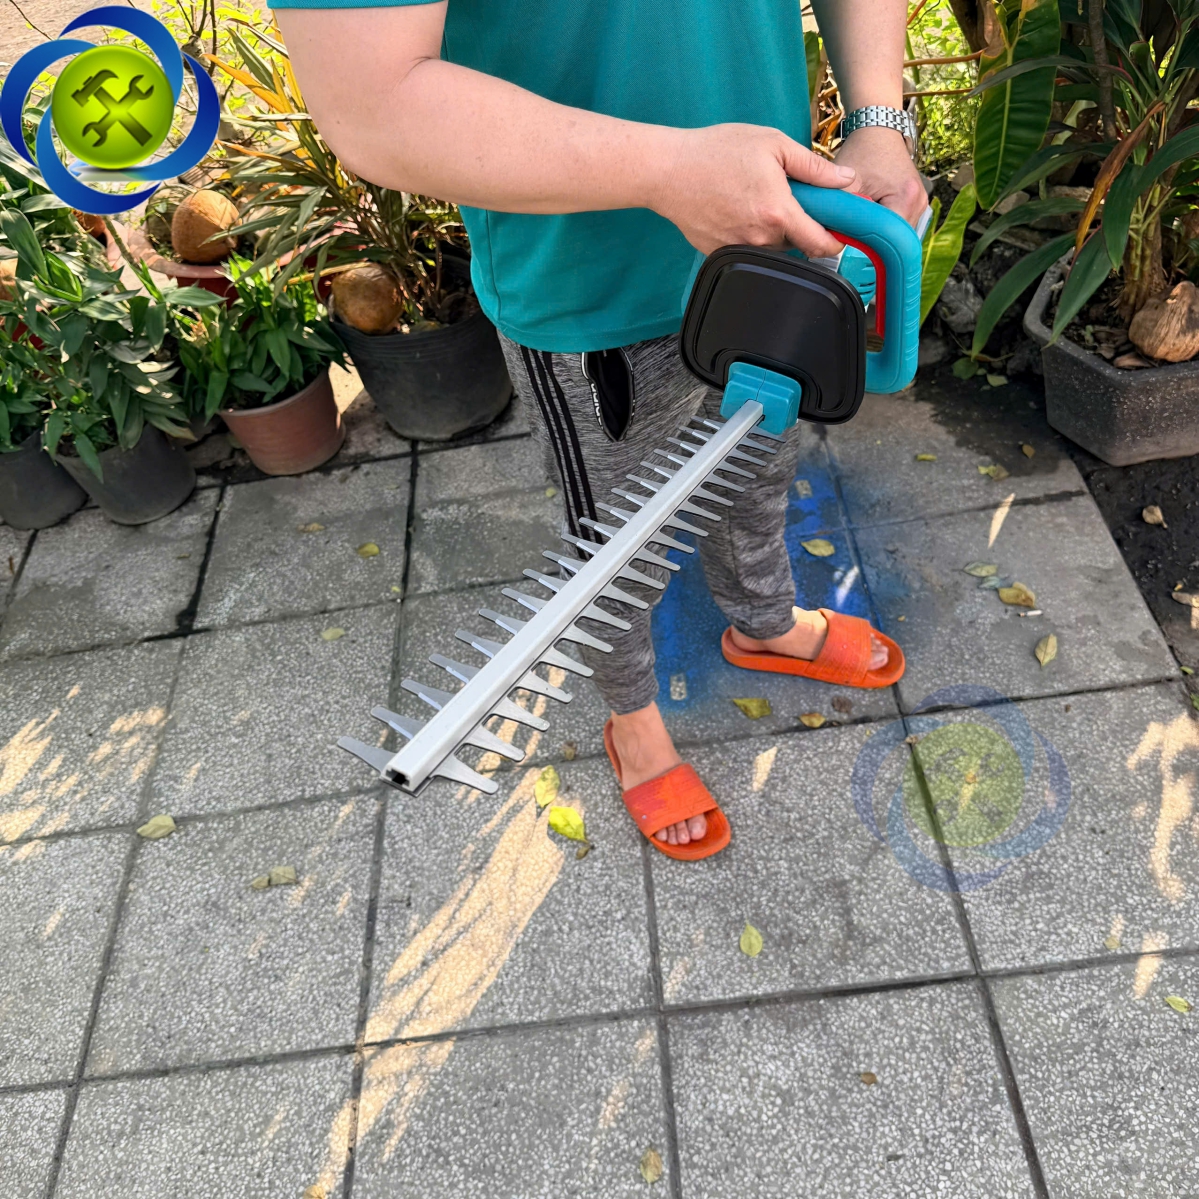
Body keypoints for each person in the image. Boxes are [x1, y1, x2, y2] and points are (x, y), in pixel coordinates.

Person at [271, 0, 926, 859]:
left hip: (773, 235)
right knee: (615, 542)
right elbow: (371, 104)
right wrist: (667, 169)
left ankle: (763, 621)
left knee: (760, 460)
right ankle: (633, 719)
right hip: (591, 284)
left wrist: (878, 118)